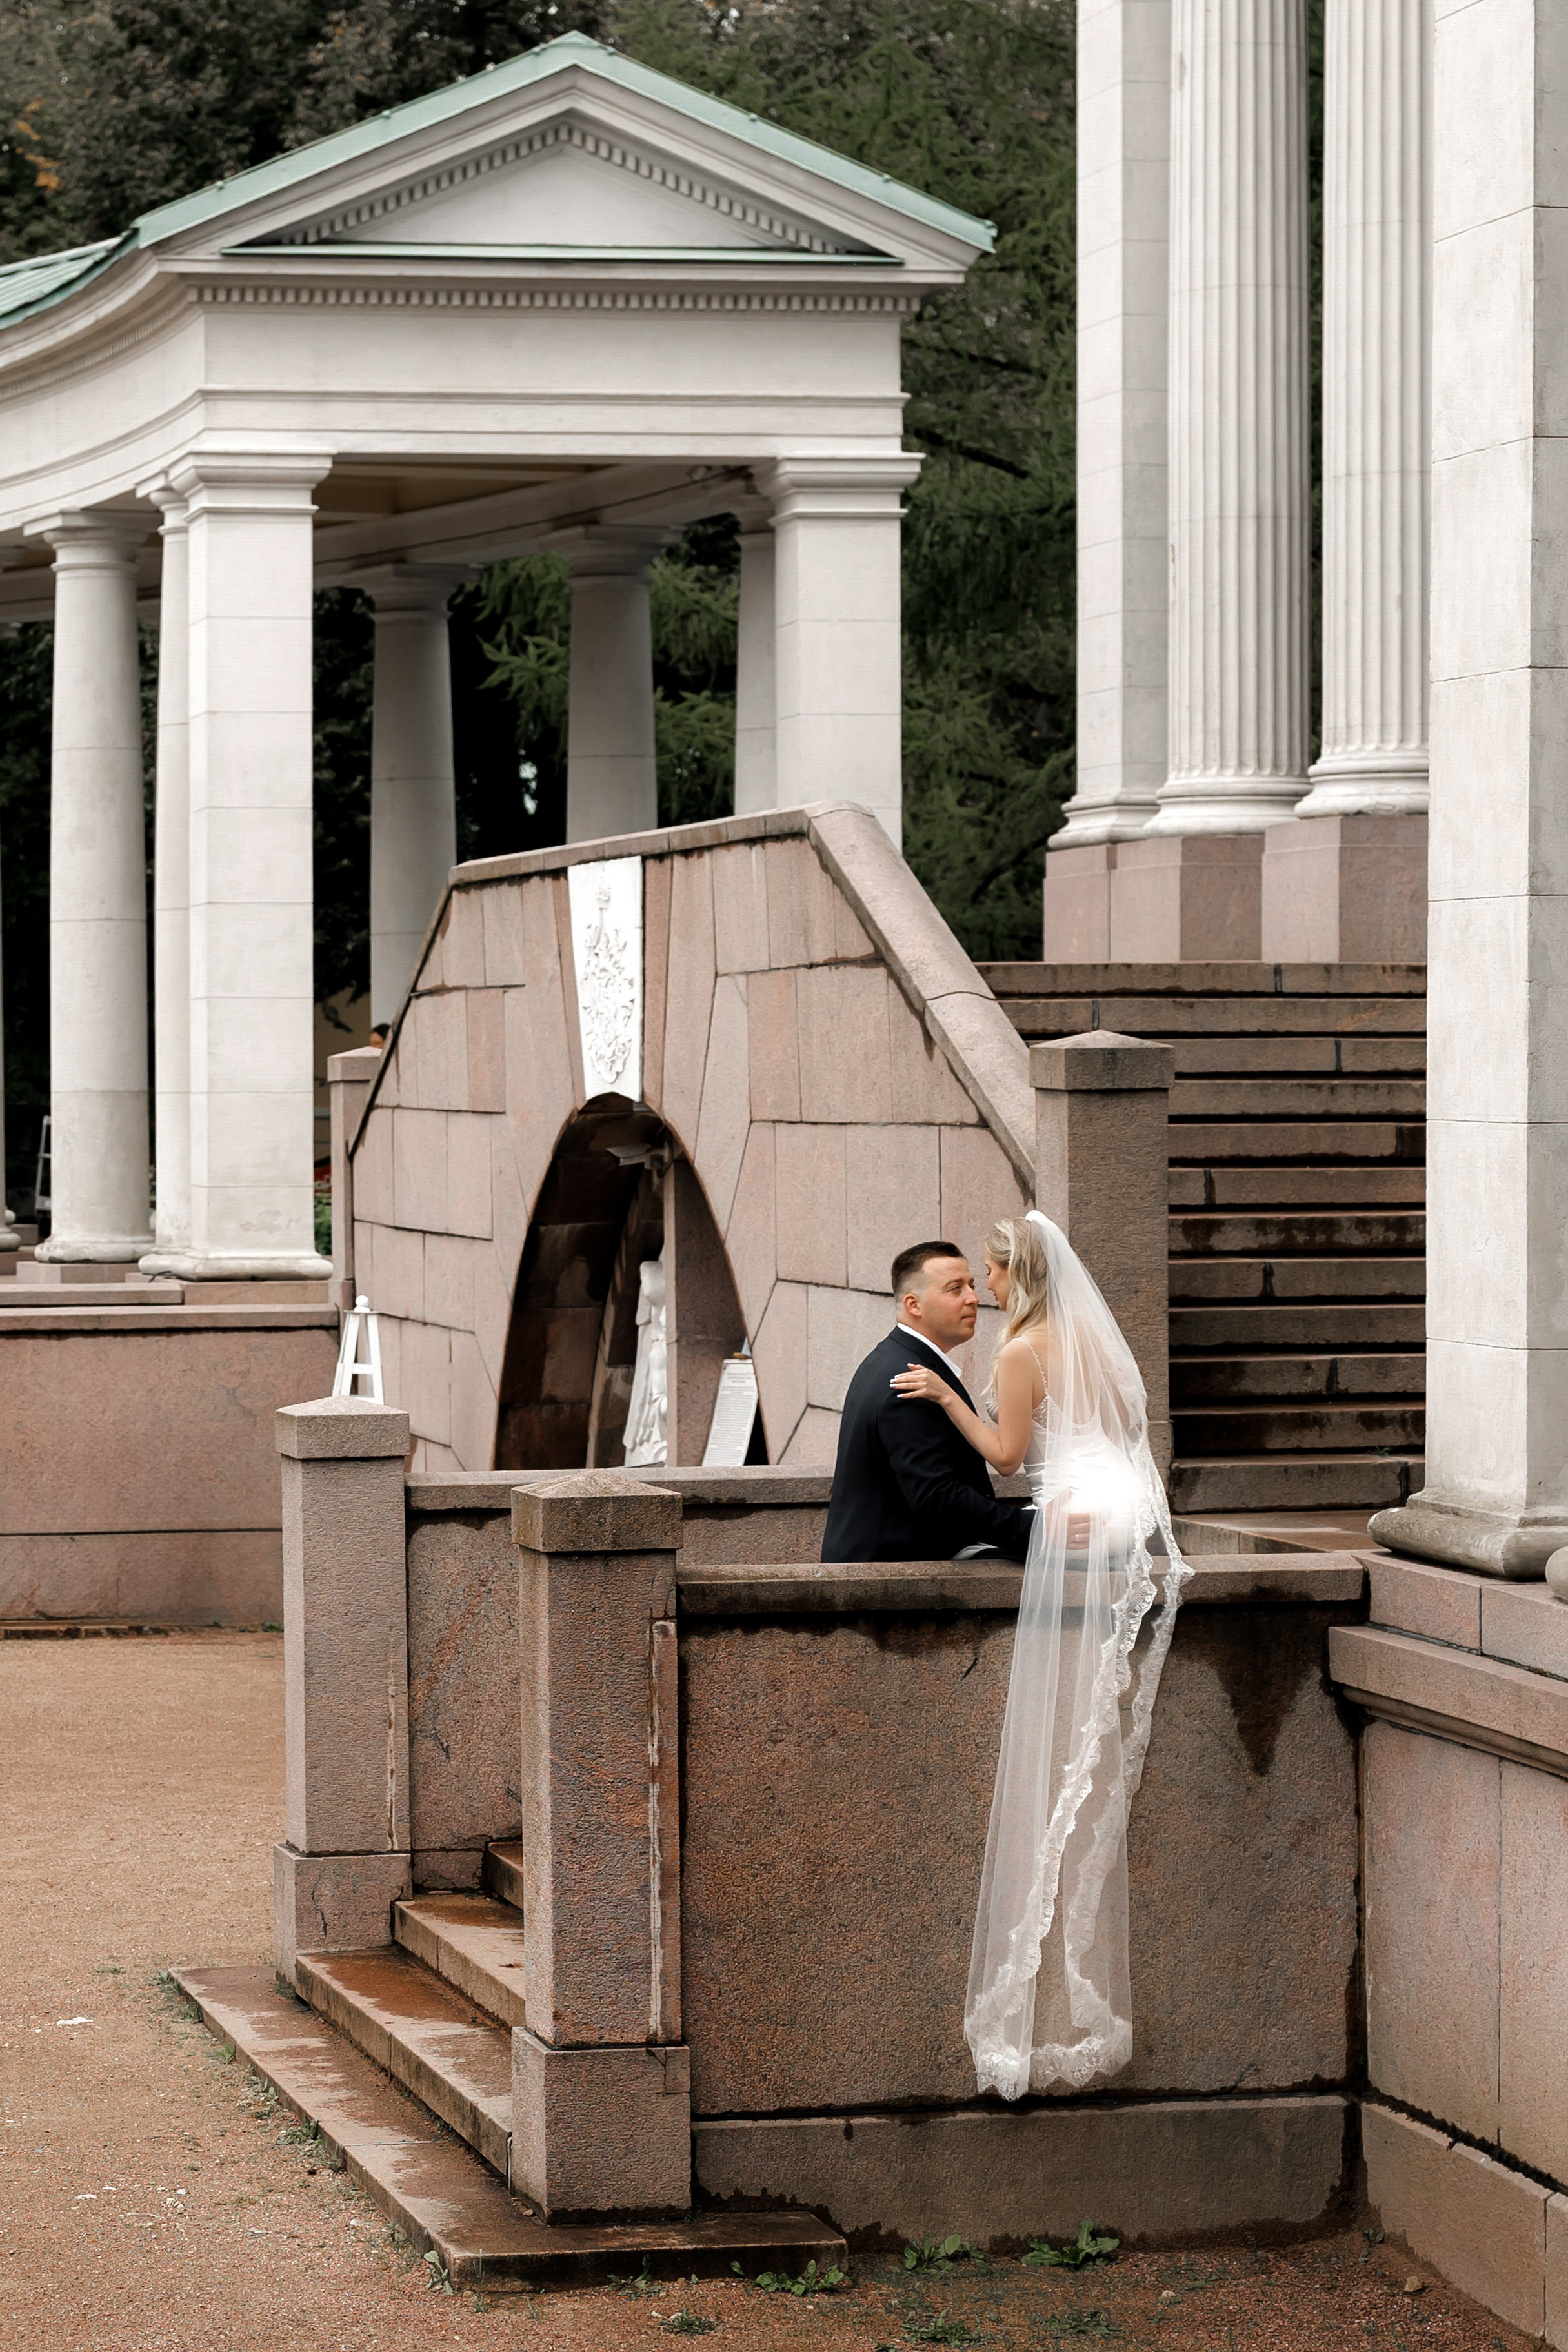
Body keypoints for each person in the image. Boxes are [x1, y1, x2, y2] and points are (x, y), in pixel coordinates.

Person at [892, 1210, 1189, 2102]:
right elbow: (1125, 1430)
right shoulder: (1087, 1340)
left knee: (1052, 1749)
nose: (979, 1288)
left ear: (1014, 1273)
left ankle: (1030, 2015)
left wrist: (949, 1402)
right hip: (1119, 1502)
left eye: (986, 1272)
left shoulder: (1022, 1352)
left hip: (1075, 1519)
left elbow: (1008, 1453)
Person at [819, 1240, 1034, 1565]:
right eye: (955, 1289)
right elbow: (936, 1495)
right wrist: (1033, 1530)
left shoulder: (895, 1359)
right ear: (914, 1304)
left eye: (973, 1285)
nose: (973, 1298)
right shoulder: (907, 1379)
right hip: (885, 1584)